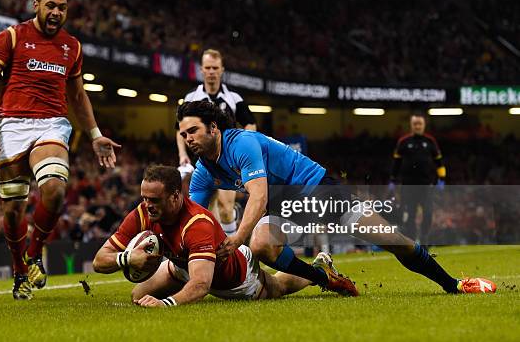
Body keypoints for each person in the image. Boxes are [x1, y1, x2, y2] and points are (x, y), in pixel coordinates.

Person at [176, 101, 495, 295]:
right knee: (262, 246)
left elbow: (257, 198)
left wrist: (236, 239)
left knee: (392, 239)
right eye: (183, 134)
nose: (188, 139)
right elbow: (192, 216)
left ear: (213, 128)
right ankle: (325, 278)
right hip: (285, 202)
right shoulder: (204, 170)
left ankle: (452, 284)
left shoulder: (241, 143)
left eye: (193, 131)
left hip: (319, 187)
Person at [0, 0, 120, 300]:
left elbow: (77, 95)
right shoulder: (12, 36)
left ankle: (34, 254)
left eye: (62, 8)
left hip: (51, 124)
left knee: (55, 188)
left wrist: (95, 135)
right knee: (12, 210)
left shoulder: (71, 47)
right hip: (11, 126)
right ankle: (20, 273)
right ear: (36, 5)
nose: (56, 12)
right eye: (50, 5)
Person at [92, 165, 353, 308]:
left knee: (278, 287)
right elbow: (99, 260)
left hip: (236, 278)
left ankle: (317, 269)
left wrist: (167, 304)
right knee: (138, 298)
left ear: (175, 196)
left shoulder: (197, 224)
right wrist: (127, 258)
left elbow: (201, 286)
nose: (147, 205)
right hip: (183, 265)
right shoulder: (143, 212)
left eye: (154, 200)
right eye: (144, 198)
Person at [177, 49, 256, 236]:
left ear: (221, 70)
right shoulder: (191, 98)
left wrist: (242, 149)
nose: (211, 71)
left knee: (226, 207)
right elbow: (179, 130)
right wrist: (182, 154)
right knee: (204, 212)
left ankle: (232, 255)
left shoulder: (234, 99)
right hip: (201, 164)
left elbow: (250, 124)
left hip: (226, 162)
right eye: (207, 68)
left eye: (215, 67)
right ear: (201, 70)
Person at [390, 114, 446, 244]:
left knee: (428, 214)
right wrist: (392, 180)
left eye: (420, 124)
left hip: (426, 185)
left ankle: (424, 238)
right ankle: (413, 243)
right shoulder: (403, 142)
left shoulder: (430, 141)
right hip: (408, 186)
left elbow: (439, 162)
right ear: (411, 125)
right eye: (415, 124)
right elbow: (396, 163)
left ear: (424, 125)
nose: (417, 126)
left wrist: (442, 178)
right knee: (410, 216)